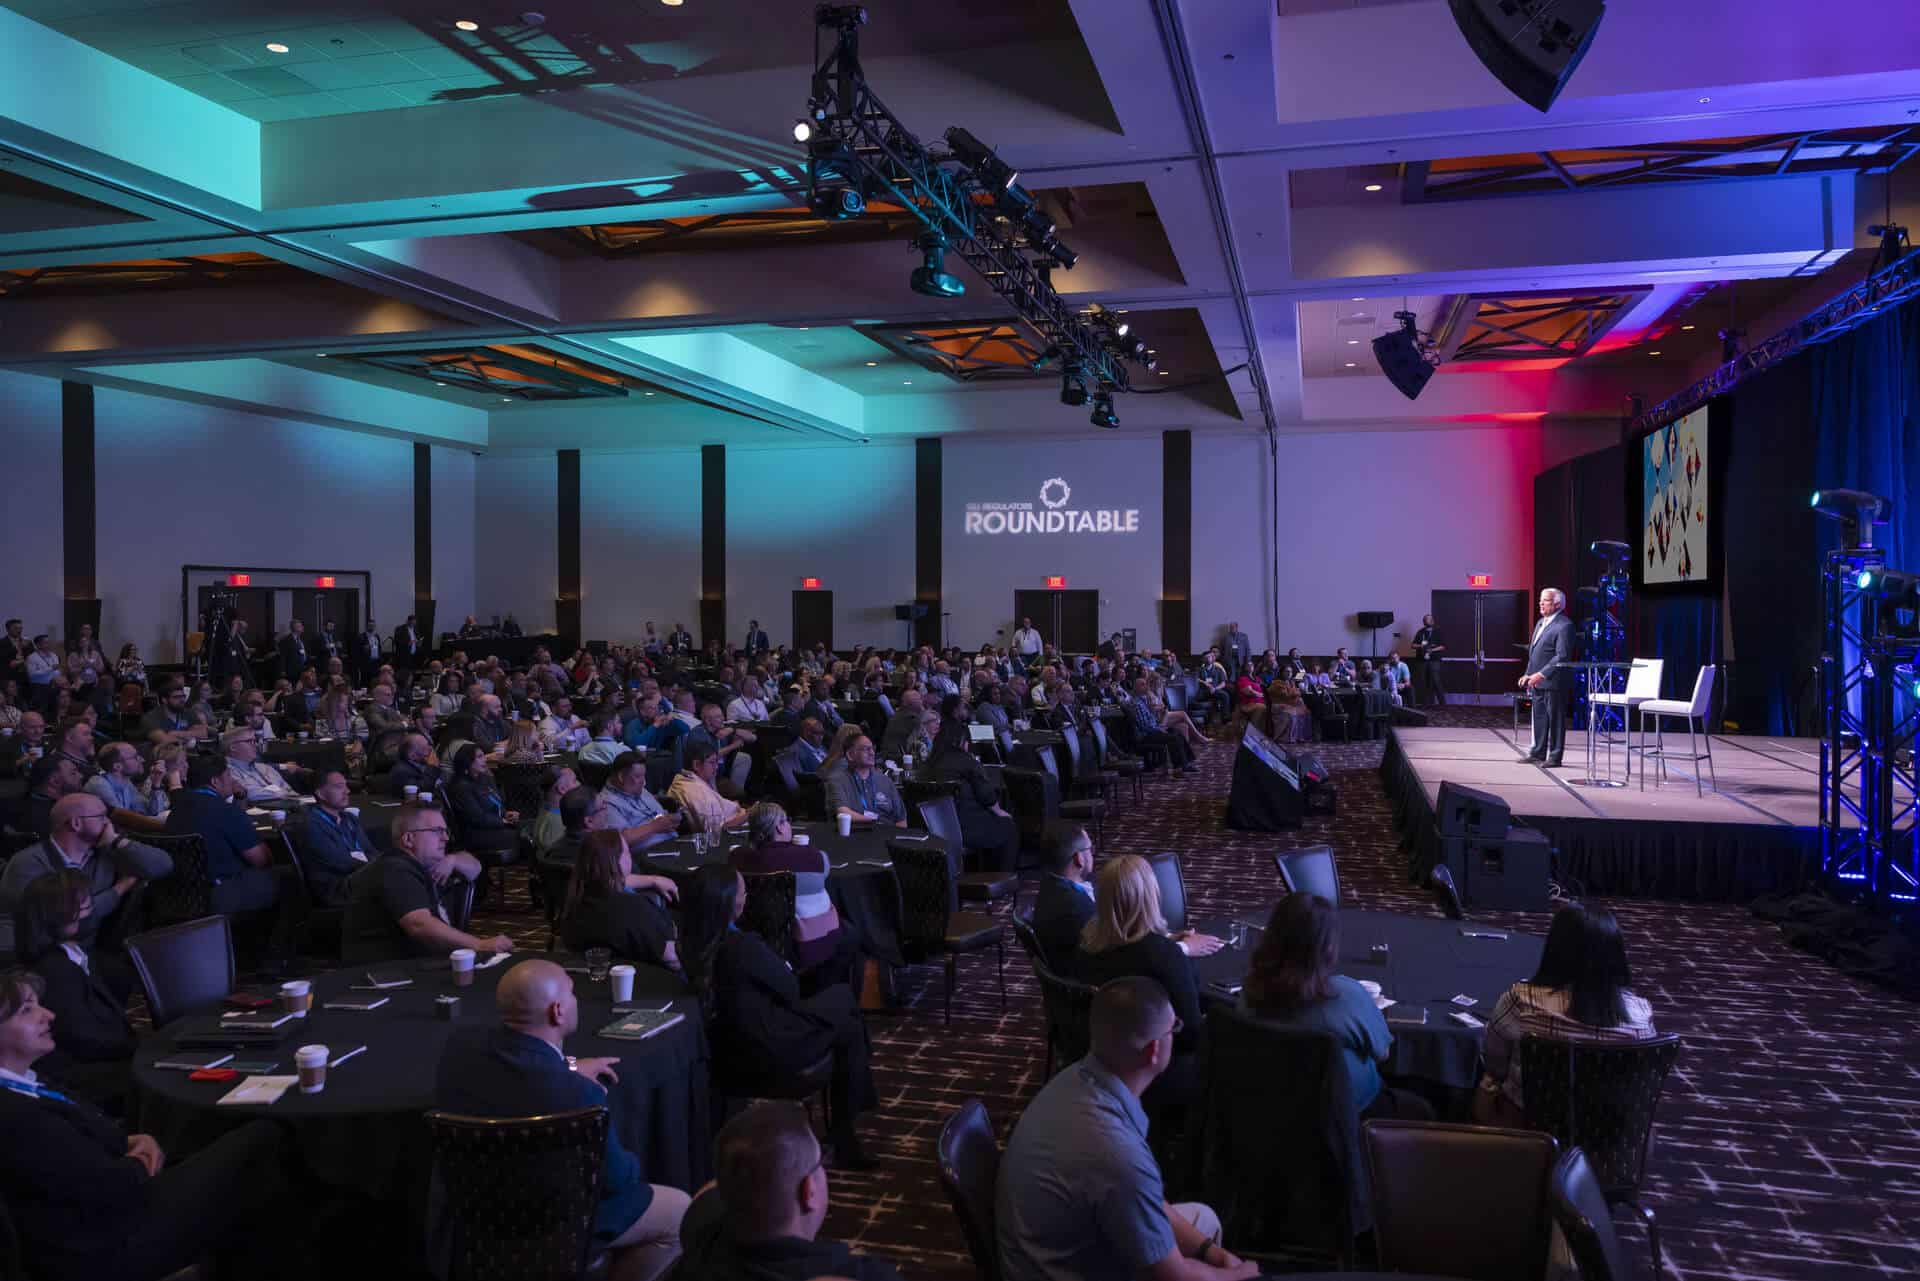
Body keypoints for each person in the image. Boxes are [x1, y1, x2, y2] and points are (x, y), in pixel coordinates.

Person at [0, 968, 292, 1281]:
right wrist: (141, 1160)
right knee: (267, 1137)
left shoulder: (23, 1080)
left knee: (220, 1135)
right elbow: (108, 1187)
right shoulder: (14, 1114)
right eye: (26, 1010)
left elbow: (85, 1139)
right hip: (107, 1246)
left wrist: (128, 1142)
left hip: (110, 1210)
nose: (49, 1015)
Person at [434, 958, 690, 1281]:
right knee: (681, 1211)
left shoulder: (458, 1049)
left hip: (474, 1217)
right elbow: (619, 1181)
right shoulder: (580, 1096)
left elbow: (520, 1068)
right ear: (558, 1011)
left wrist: (566, 1066)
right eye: (572, 993)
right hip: (557, 1224)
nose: (577, 998)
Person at [996, 976, 1258, 1281]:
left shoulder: (1072, 1080)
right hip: (1060, 1270)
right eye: (1174, 1028)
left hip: (1040, 1255)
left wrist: (1208, 1252)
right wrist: (1242, 1274)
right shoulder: (1118, 1153)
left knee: (1206, 1221)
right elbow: (1176, 1278)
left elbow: (1144, 1201)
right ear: (1154, 1051)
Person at [680, 865, 877, 1168]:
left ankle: (847, 1127)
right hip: (767, 1050)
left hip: (727, 1051)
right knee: (844, 1004)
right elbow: (790, 988)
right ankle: (845, 1130)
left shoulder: (688, 944)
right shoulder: (742, 947)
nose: (746, 897)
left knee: (842, 1009)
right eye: (743, 891)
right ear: (733, 902)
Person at [1241, 894, 1433, 1121]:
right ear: (1328, 947)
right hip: (1349, 1118)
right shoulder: (1347, 995)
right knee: (1425, 1108)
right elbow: (1383, 1054)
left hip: (1267, 1111)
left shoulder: (1249, 992)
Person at [666, 1101, 907, 1281]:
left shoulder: (699, 1227)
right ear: (808, 1191)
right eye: (820, 1162)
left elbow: (711, 1191)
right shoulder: (861, 1275)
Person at [1476, 902, 1658, 1126]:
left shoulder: (1520, 1001)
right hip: (1609, 1135)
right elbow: (1640, 1087)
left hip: (1528, 1128)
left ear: (1554, 949)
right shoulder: (1641, 1018)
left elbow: (1494, 1064)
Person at [1073, 855, 1222, 1114]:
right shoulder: (1163, 956)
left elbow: (1129, 946)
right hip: (1159, 1069)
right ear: (1151, 896)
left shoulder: (1087, 943)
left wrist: (1171, 941)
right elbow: (1190, 1034)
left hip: (1102, 1057)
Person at [13, 871, 136, 1108]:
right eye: (83, 905)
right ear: (58, 915)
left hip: (103, 1056)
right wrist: (136, 1048)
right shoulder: (55, 971)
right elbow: (83, 1037)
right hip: (84, 1074)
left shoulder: (73, 955)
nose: (90, 909)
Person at [165, 756, 301, 964]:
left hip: (180, 892)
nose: (233, 780)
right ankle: (274, 958)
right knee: (291, 879)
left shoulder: (178, 808)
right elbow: (261, 860)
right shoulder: (224, 811)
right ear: (215, 781)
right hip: (221, 892)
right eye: (228, 776)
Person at [1, 794, 172, 953]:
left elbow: (164, 865)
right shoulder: (28, 863)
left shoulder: (105, 853)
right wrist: (119, 888)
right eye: (101, 817)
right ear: (76, 823)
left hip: (84, 953)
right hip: (33, 959)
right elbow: (71, 924)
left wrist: (116, 841)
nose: (109, 823)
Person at [341, 804, 509, 963]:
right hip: (389, 970)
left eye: (445, 831)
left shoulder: (424, 863)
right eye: (437, 831)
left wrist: (452, 859)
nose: (445, 838)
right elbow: (418, 924)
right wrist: (479, 945)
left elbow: (475, 868)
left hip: (420, 962)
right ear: (409, 839)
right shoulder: (395, 869)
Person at [730, 802, 851, 988]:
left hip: (753, 938)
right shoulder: (812, 858)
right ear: (778, 827)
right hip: (805, 942)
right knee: (852, 934)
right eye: (786, 821)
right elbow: (825, 869)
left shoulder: (736, 858)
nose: (788, 825)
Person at [560, 829, 680, 968]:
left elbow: (609, 879)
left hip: (596, 978)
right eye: (627, 852)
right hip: (650, 979)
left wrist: (653, 880)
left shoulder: (572, 903)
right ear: (617, 861)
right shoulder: (634, 909)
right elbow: (671, 958)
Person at [920, 719, 1019, 869]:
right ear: (961, 742)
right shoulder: (967, 761)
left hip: (933, 829)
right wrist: (1000, 812)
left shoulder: (928, 764)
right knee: (1009, 826)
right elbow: (986, 796)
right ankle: (1003, 879)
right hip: (966, 828)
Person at [296, 769, 382, 907]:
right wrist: (380, 868)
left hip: (359, 877)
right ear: (320, 794)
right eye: (339, 786)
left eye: (346, 785)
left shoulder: (350, 818)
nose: (347, 791)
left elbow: (370, 850)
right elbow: (340, 862)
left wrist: (384, 865)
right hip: (336, 888)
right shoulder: (310, 825)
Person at [1032, 821, 1096, 971]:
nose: (1092, 853)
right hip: (1087, 982)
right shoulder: (1078, 908)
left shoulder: (1050, 885)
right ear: (1078, 858)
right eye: (1090, 849)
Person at [1521, 587, 1574, 767]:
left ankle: (1555, 756)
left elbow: (1562, 656)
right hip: (1536, 682)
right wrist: (1528, 674)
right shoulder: (1540, 623)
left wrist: (1541, 674)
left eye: (1546, 600)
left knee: (1556, 720)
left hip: (1553, 682)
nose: (1541, 603)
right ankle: (1538, 752)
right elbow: (1535, 652)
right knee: (1540, 718)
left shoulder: (1564, 625)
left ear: (1557, 604)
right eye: (1540, 600)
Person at [445, 742, 521, 861]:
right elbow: (477, 818)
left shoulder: (484, 779)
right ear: (467, 762)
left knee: (528, 828)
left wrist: (506, 814)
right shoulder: (460, 787)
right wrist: (503, 821)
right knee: (522, 835)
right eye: (479, 757)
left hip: (492, 826)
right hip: (475, 834)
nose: (484, 759)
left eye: (483, 755)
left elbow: (496, 804)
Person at [667, 740, 747, 834]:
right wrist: (749, 815)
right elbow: (715, 830)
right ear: (696, 765)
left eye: (716, 762)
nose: (716, 767)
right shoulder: (693, 790)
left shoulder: (691, 780)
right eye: (712, 762)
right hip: (729, 834)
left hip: (737, 818)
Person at [84, 741, 169, 823]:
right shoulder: (98, 784)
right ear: (117, 766)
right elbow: (121, 818)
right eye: (135, 757)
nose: (142, 759)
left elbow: (152, 812)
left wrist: (156, 783)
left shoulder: (127, 784)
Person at [219, 727, 304, 802]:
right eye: (250, 741)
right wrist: (283, 793)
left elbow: (290, 790)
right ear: (233, 747)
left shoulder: (264, 767)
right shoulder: (225, 770)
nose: (255, 745)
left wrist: (297, 798)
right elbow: (249, 793)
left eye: (255, 741)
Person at [1129, 677, 1195, 773]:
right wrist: (1160, 728)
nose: (1146, 686)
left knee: (1177, 732)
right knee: (1173, 738)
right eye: (1142, 684)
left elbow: (1152, 719)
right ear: (1136, 688)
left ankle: (1186, 763)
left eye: (1145, 684)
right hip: (1147, 735)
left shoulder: (1144, 700)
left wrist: (1160, 724)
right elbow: (1145, 726)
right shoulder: (1137, 703)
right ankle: (1180, 766)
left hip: (1154, 729)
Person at [1411, 613, 1446, 706]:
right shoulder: (1420, 632)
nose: (1428, 621)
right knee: (1423, 682)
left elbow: (1443, 647)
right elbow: (1413, 645)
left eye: (1429, 619)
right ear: (1424, 622)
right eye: (1426, 619)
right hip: (1421, 661)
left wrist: (1431, 650)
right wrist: (1421, 646)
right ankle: (1425, 703)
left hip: (1434, 660)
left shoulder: (1437, 631)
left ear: (1433, 621)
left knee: (1436, 681)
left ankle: (1442, 704)